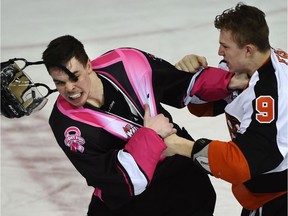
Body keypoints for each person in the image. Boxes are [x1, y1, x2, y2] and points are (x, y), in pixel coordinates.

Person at [39, 35, 247, 216]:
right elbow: (122, 181)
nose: (69, 88)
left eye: (75, 77)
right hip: (129, 206)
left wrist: (226, 81)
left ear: (88, 65)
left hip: (184, 187)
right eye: (59, 82)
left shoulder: (127, 62)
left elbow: (181, 84)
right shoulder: (66, 124)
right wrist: (151, 135)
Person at [164, 3, 287, 216]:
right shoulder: (249, 67)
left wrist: (183, 146)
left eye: (225, 46)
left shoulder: (273, 96)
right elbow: (205, 106)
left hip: (279, 197)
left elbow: (241, 163)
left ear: (248, 49)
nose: (219, 52)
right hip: (263, 192)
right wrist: (192, 77)